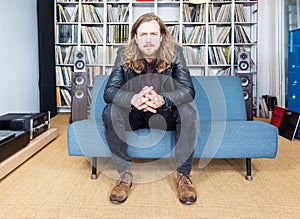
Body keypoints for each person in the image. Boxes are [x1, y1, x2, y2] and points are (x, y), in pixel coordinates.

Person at [102, 13, 198, 205]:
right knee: (109, 111)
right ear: (135, 37)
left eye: (153, 34)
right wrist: (134, 98)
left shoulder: (175, 53)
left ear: (162, 36)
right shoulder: (123, 54)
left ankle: (183, 176)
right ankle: (124, 174)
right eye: (143, 34)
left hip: (164, 114)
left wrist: (162, 99)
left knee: (188, 110)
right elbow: (109, 92)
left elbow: (188, 90)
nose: (148, 39)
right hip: (135, 114)